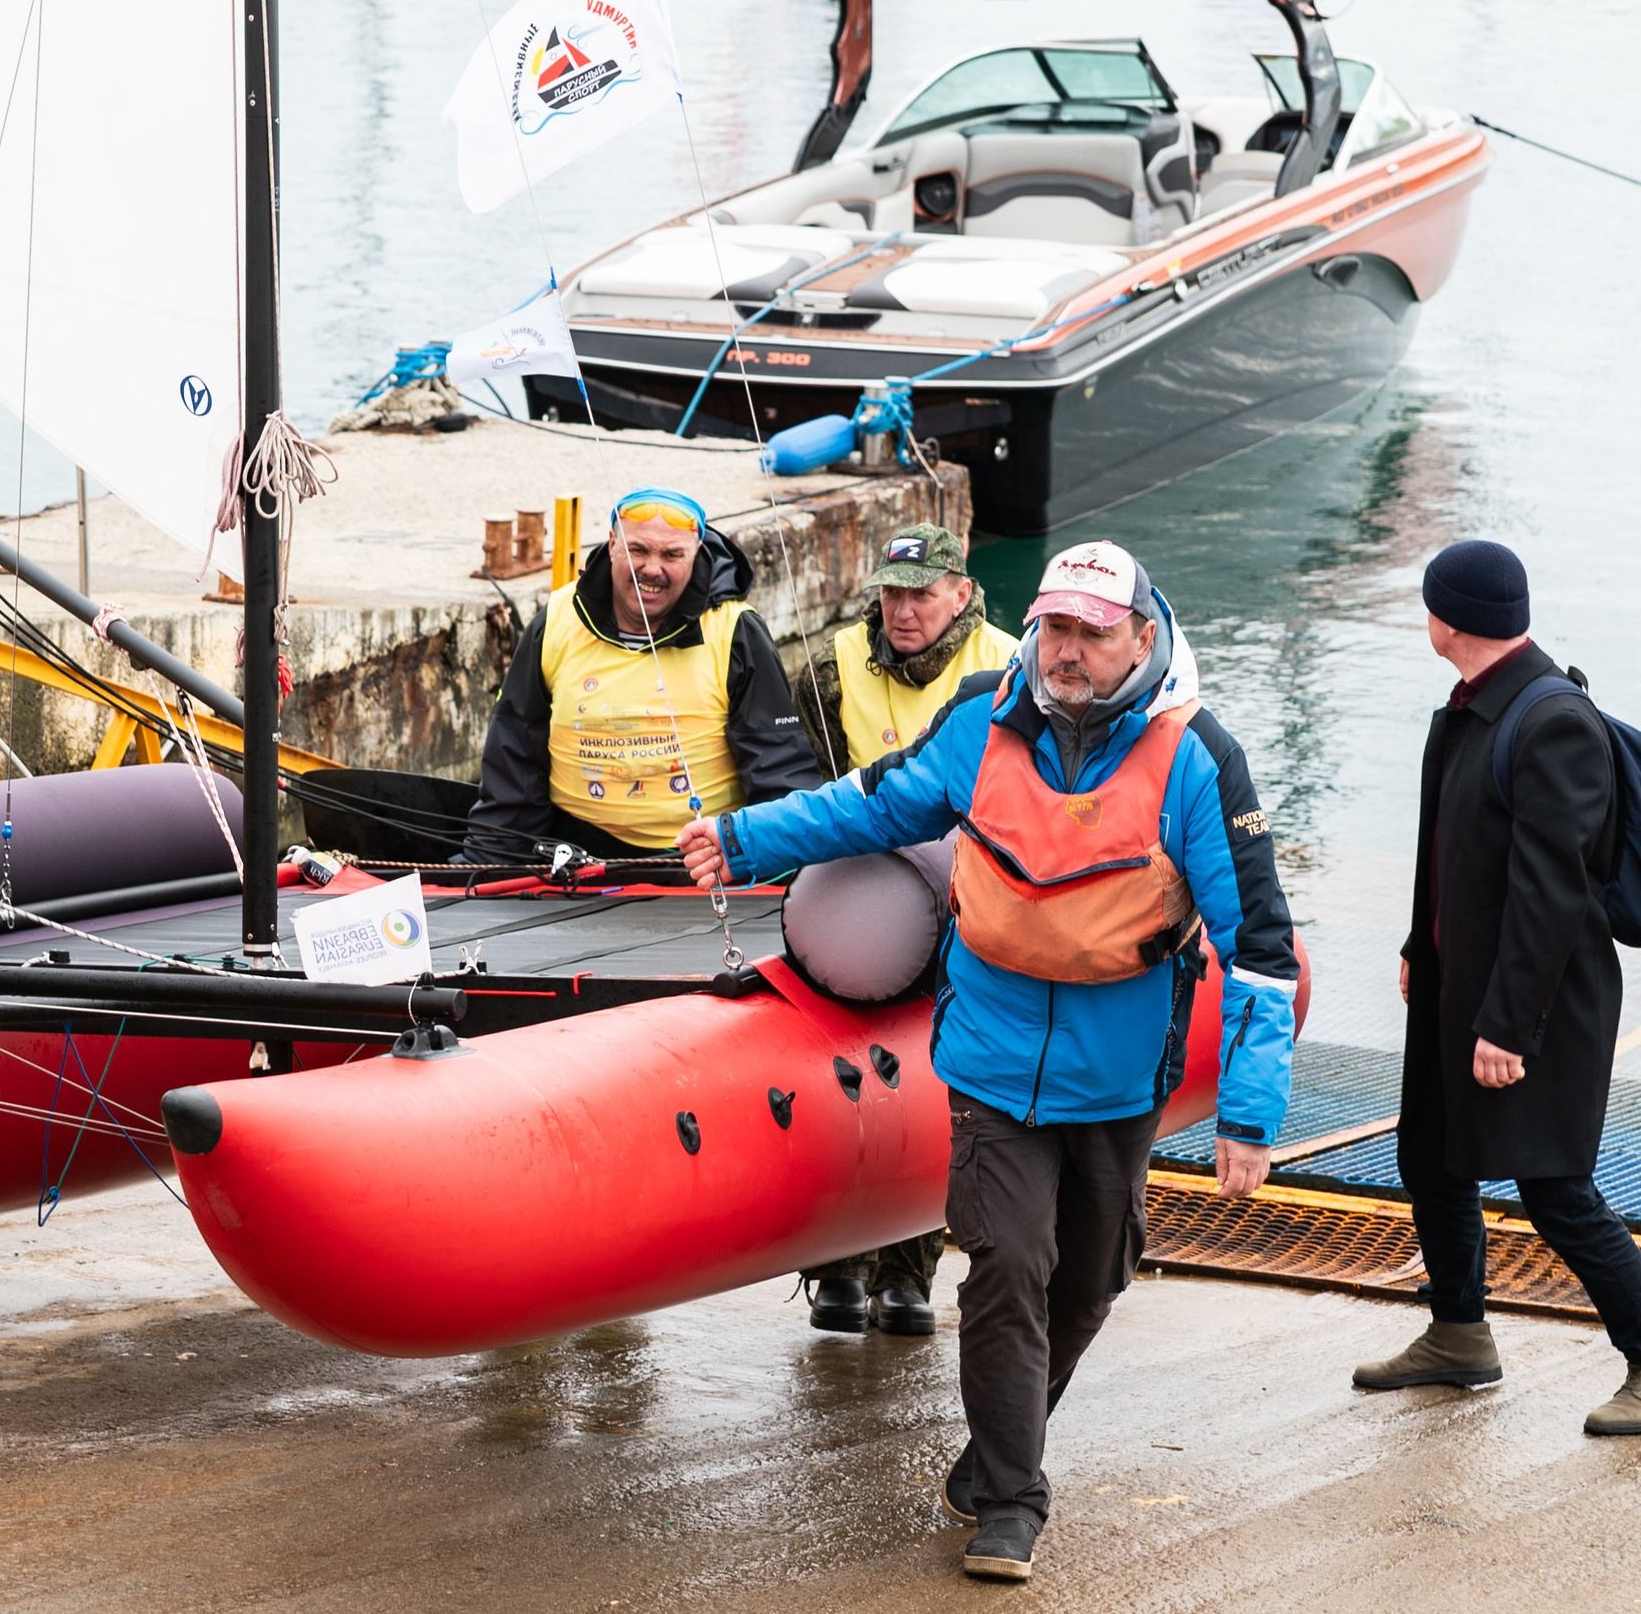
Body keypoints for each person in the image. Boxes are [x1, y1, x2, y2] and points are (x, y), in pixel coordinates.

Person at [676, 539, 1298, 1584]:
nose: (1066, 651)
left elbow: (1261, 954)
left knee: (1091, 1278)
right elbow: (874, 801)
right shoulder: (982, 718)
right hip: (991, 1062)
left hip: (1117, 1073)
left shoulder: (1196, 757)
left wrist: (1247, 1113)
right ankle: (1012, 1498)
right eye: (1053, 627)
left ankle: (994, 1448)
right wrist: (739, 839)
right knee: (1008, 1267)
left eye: (1092, 634)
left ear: (1141, 638)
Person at [1353, 539, 1641, 1435]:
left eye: (1429, 602)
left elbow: (1552, 893)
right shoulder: (1476, 704)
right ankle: (1459, 1334)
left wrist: (1509, 1027)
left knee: (1557, 1191)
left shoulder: (1551, 720)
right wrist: (1417, 944)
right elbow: (1452, 851)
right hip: (1457, 987)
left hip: (1538, 1004)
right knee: (1431, 1155)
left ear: (1452, 619)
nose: (1424, 616)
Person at [793, 522, 1021, 1338]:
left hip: (975, 900)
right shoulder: (830, 669)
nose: (904, 610)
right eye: (892, 593)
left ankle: (908, 1271)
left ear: (961, 594)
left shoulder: (1010, 665)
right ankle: (833, 1271)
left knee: (935, 1084)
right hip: (861, 895)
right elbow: (808, 787)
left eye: (923, 593)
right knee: (837, 1071)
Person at [460, 488, 823, 863]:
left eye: (671, 555)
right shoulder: (555, 620)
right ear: (612, 543)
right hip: (575, 854)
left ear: (697, 552)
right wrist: (490, 861)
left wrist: (777, 860)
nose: (652, 569)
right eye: (638, 550)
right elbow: (514, 754)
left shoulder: (736, 630)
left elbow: (779, 767)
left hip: (702, 858)